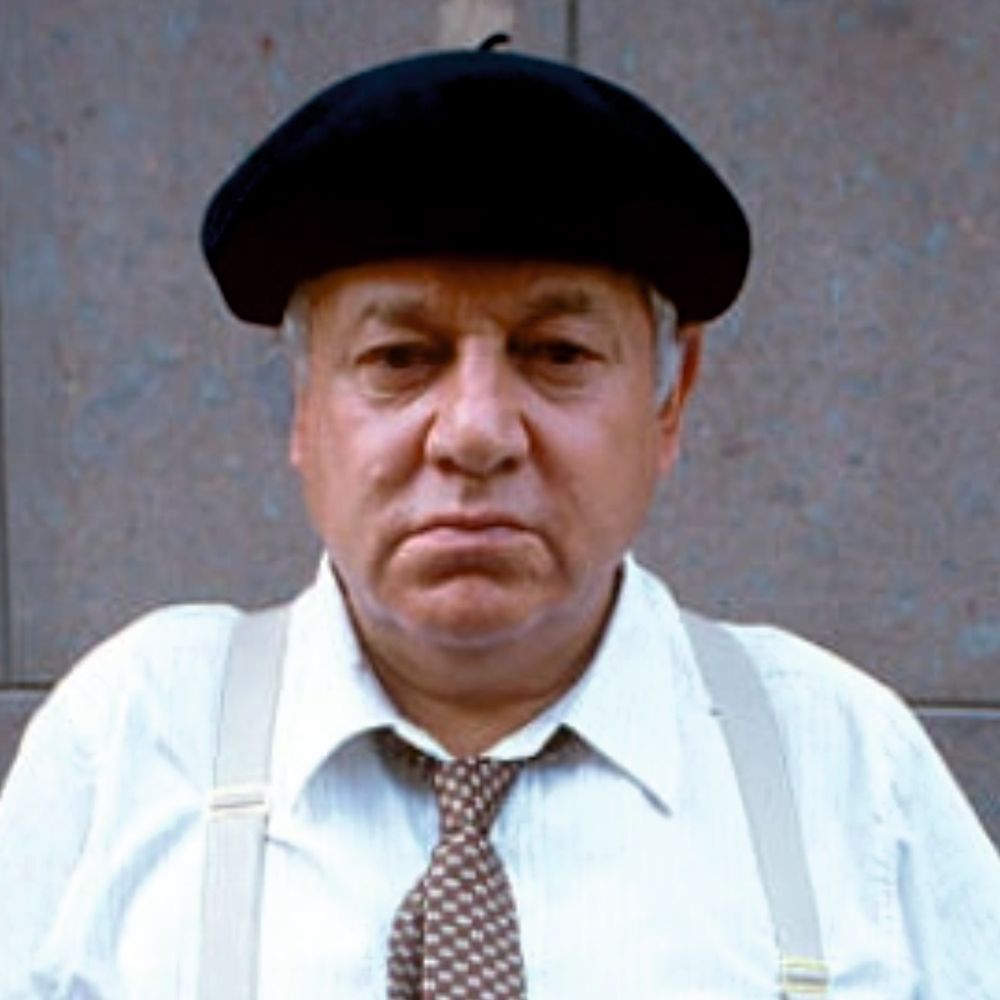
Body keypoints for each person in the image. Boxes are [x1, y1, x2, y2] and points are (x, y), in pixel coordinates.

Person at [1, 42, 998, 1000]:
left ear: (671, 398)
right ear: (304, 405)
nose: (475, 433)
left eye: (557, 353)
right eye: (400, 358)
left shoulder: (843, 766)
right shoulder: (129, 744)